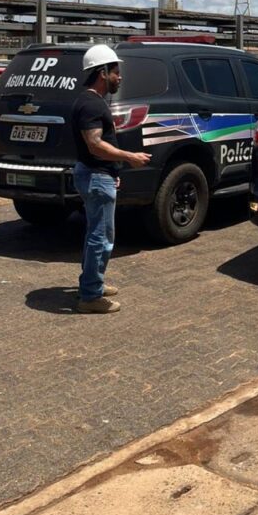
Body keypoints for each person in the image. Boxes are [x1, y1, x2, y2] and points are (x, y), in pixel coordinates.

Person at [72, 44, 151, 314]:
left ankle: (92, 283)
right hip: (95, 177)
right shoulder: (91, 104)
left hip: (98, 175)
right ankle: (91, 296)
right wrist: (128, 157)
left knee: (96, 233)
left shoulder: (91, 101)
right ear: (103, 72)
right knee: (101, 237)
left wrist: (113, 170)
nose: (120, 77)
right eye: (116, 72)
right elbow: (95, 145)